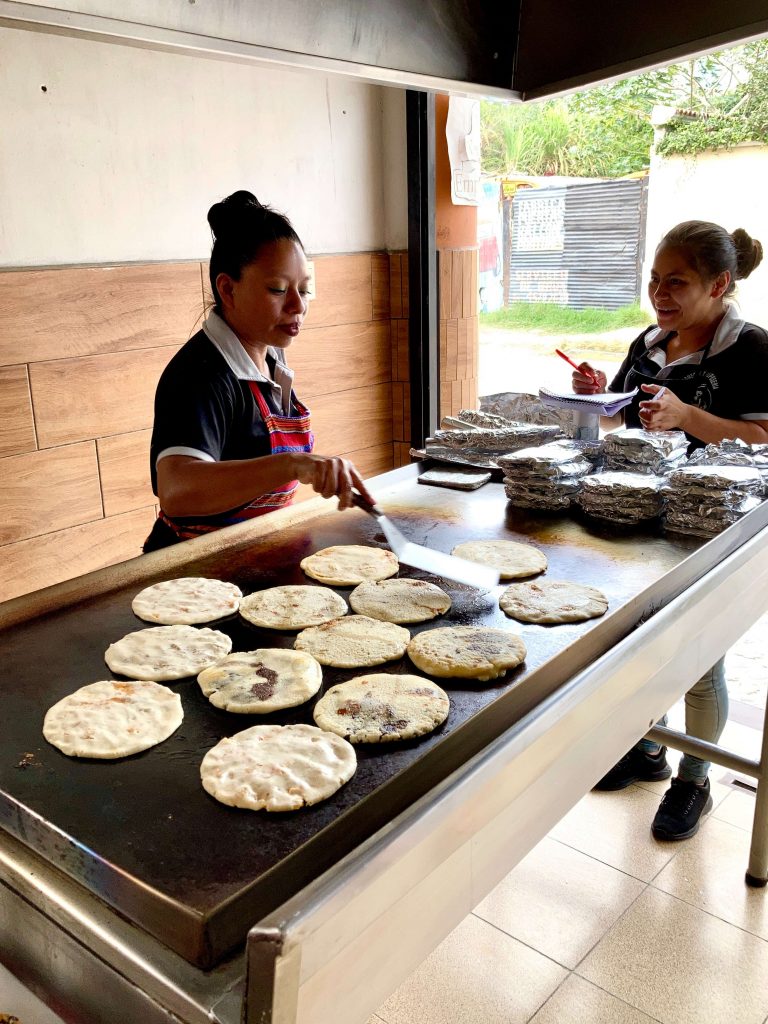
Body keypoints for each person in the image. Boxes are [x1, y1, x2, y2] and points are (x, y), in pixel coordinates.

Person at [572, 220, 768, 841]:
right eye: (655, 280)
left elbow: (764, 440)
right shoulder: (651, 341)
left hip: (714, 532)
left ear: (720, 284)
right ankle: (649, 750)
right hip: (643, 524)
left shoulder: (753, 349)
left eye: (676, 282)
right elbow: (628, 424)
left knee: (699, 661)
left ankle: (695, 778)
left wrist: (690, 417)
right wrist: (599, 395)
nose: (659, 293)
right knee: (645, 642)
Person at [144, 190, 375, 552]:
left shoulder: (271, 358)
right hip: (193, 571)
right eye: (278, 289)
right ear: (228, 289)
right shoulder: (200, 375)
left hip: (247, 553)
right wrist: (292, 465)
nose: (297, 305)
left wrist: (312, 469)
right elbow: (176, 490)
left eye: (304, 289)